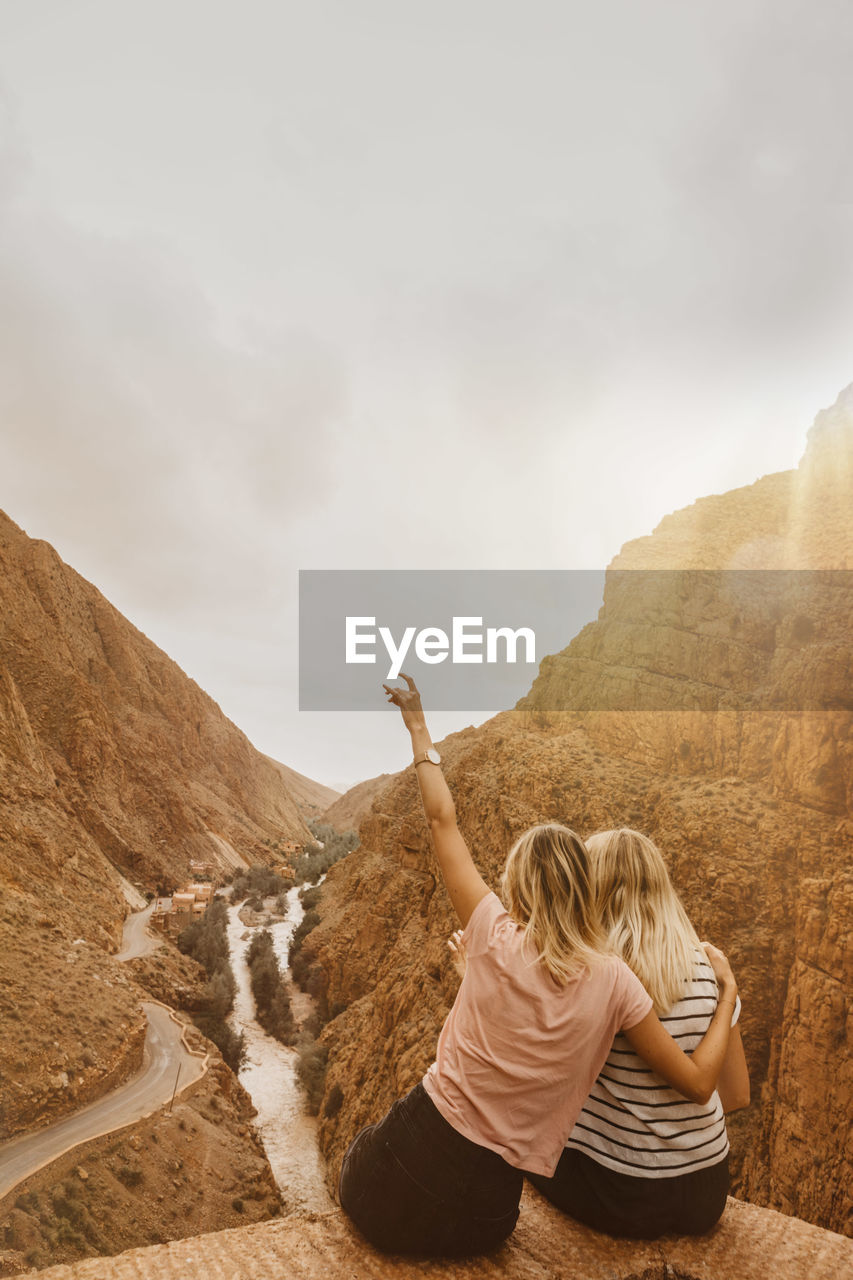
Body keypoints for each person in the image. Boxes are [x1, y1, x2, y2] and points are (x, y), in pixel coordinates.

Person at [337, 677, 739, 1257]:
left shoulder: (491, 934)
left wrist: (419, 726)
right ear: (584, 887)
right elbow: (690, 1079)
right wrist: (725, 994)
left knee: (359, 1156)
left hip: (395, 1175)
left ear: (518, 888)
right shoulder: (616, 982)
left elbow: (442, 821)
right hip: (487, 1218)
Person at [517, 827, 749, 1238]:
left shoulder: (592, 973)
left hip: (623, 1192)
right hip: (707, 1190)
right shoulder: (709, 968)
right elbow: (736, 1095)